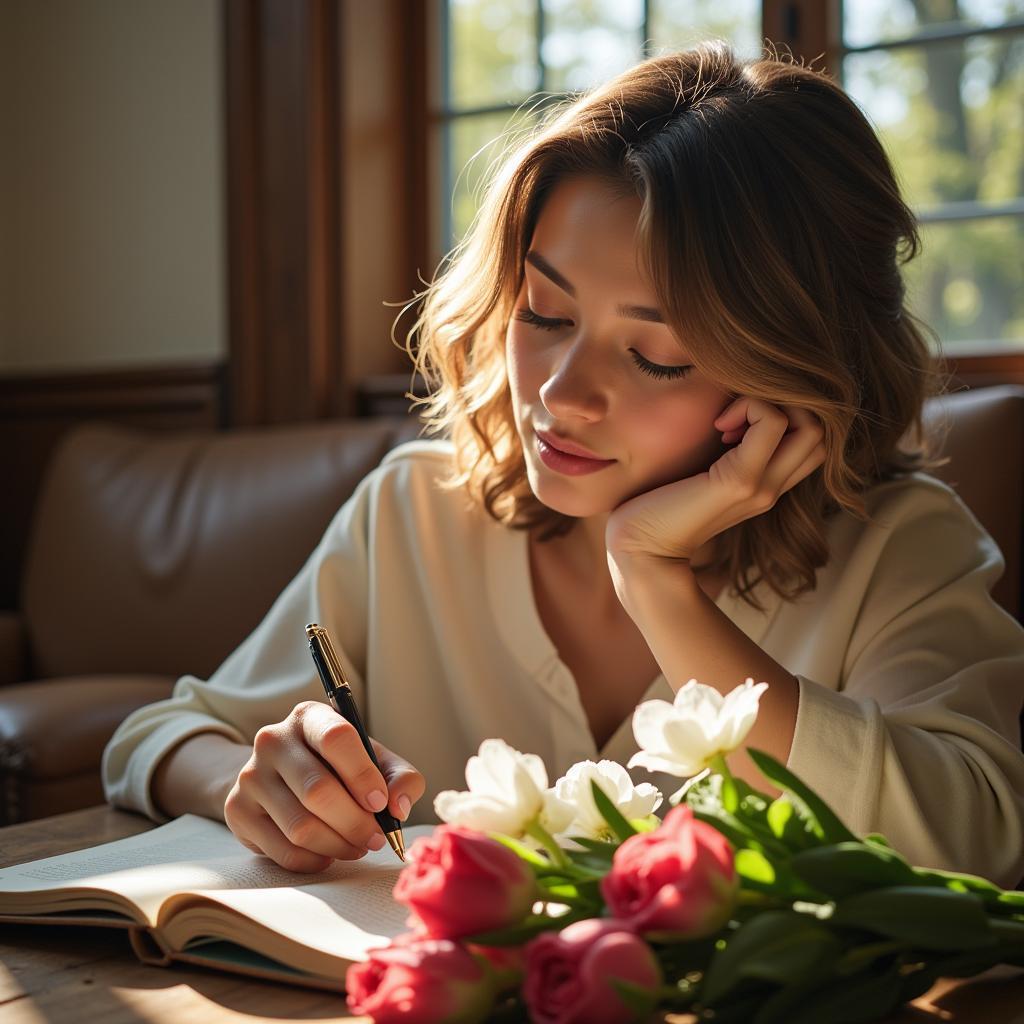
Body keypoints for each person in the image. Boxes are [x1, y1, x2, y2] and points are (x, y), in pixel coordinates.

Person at [102, 42, 1024, 887]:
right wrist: (263, 784)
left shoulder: (900, 548)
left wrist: (654, 580)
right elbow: (158, 735)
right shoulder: (416, 513)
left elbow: (978, 841)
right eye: (545, 312)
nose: (560, 394)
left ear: (797, 372)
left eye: (656, 356)